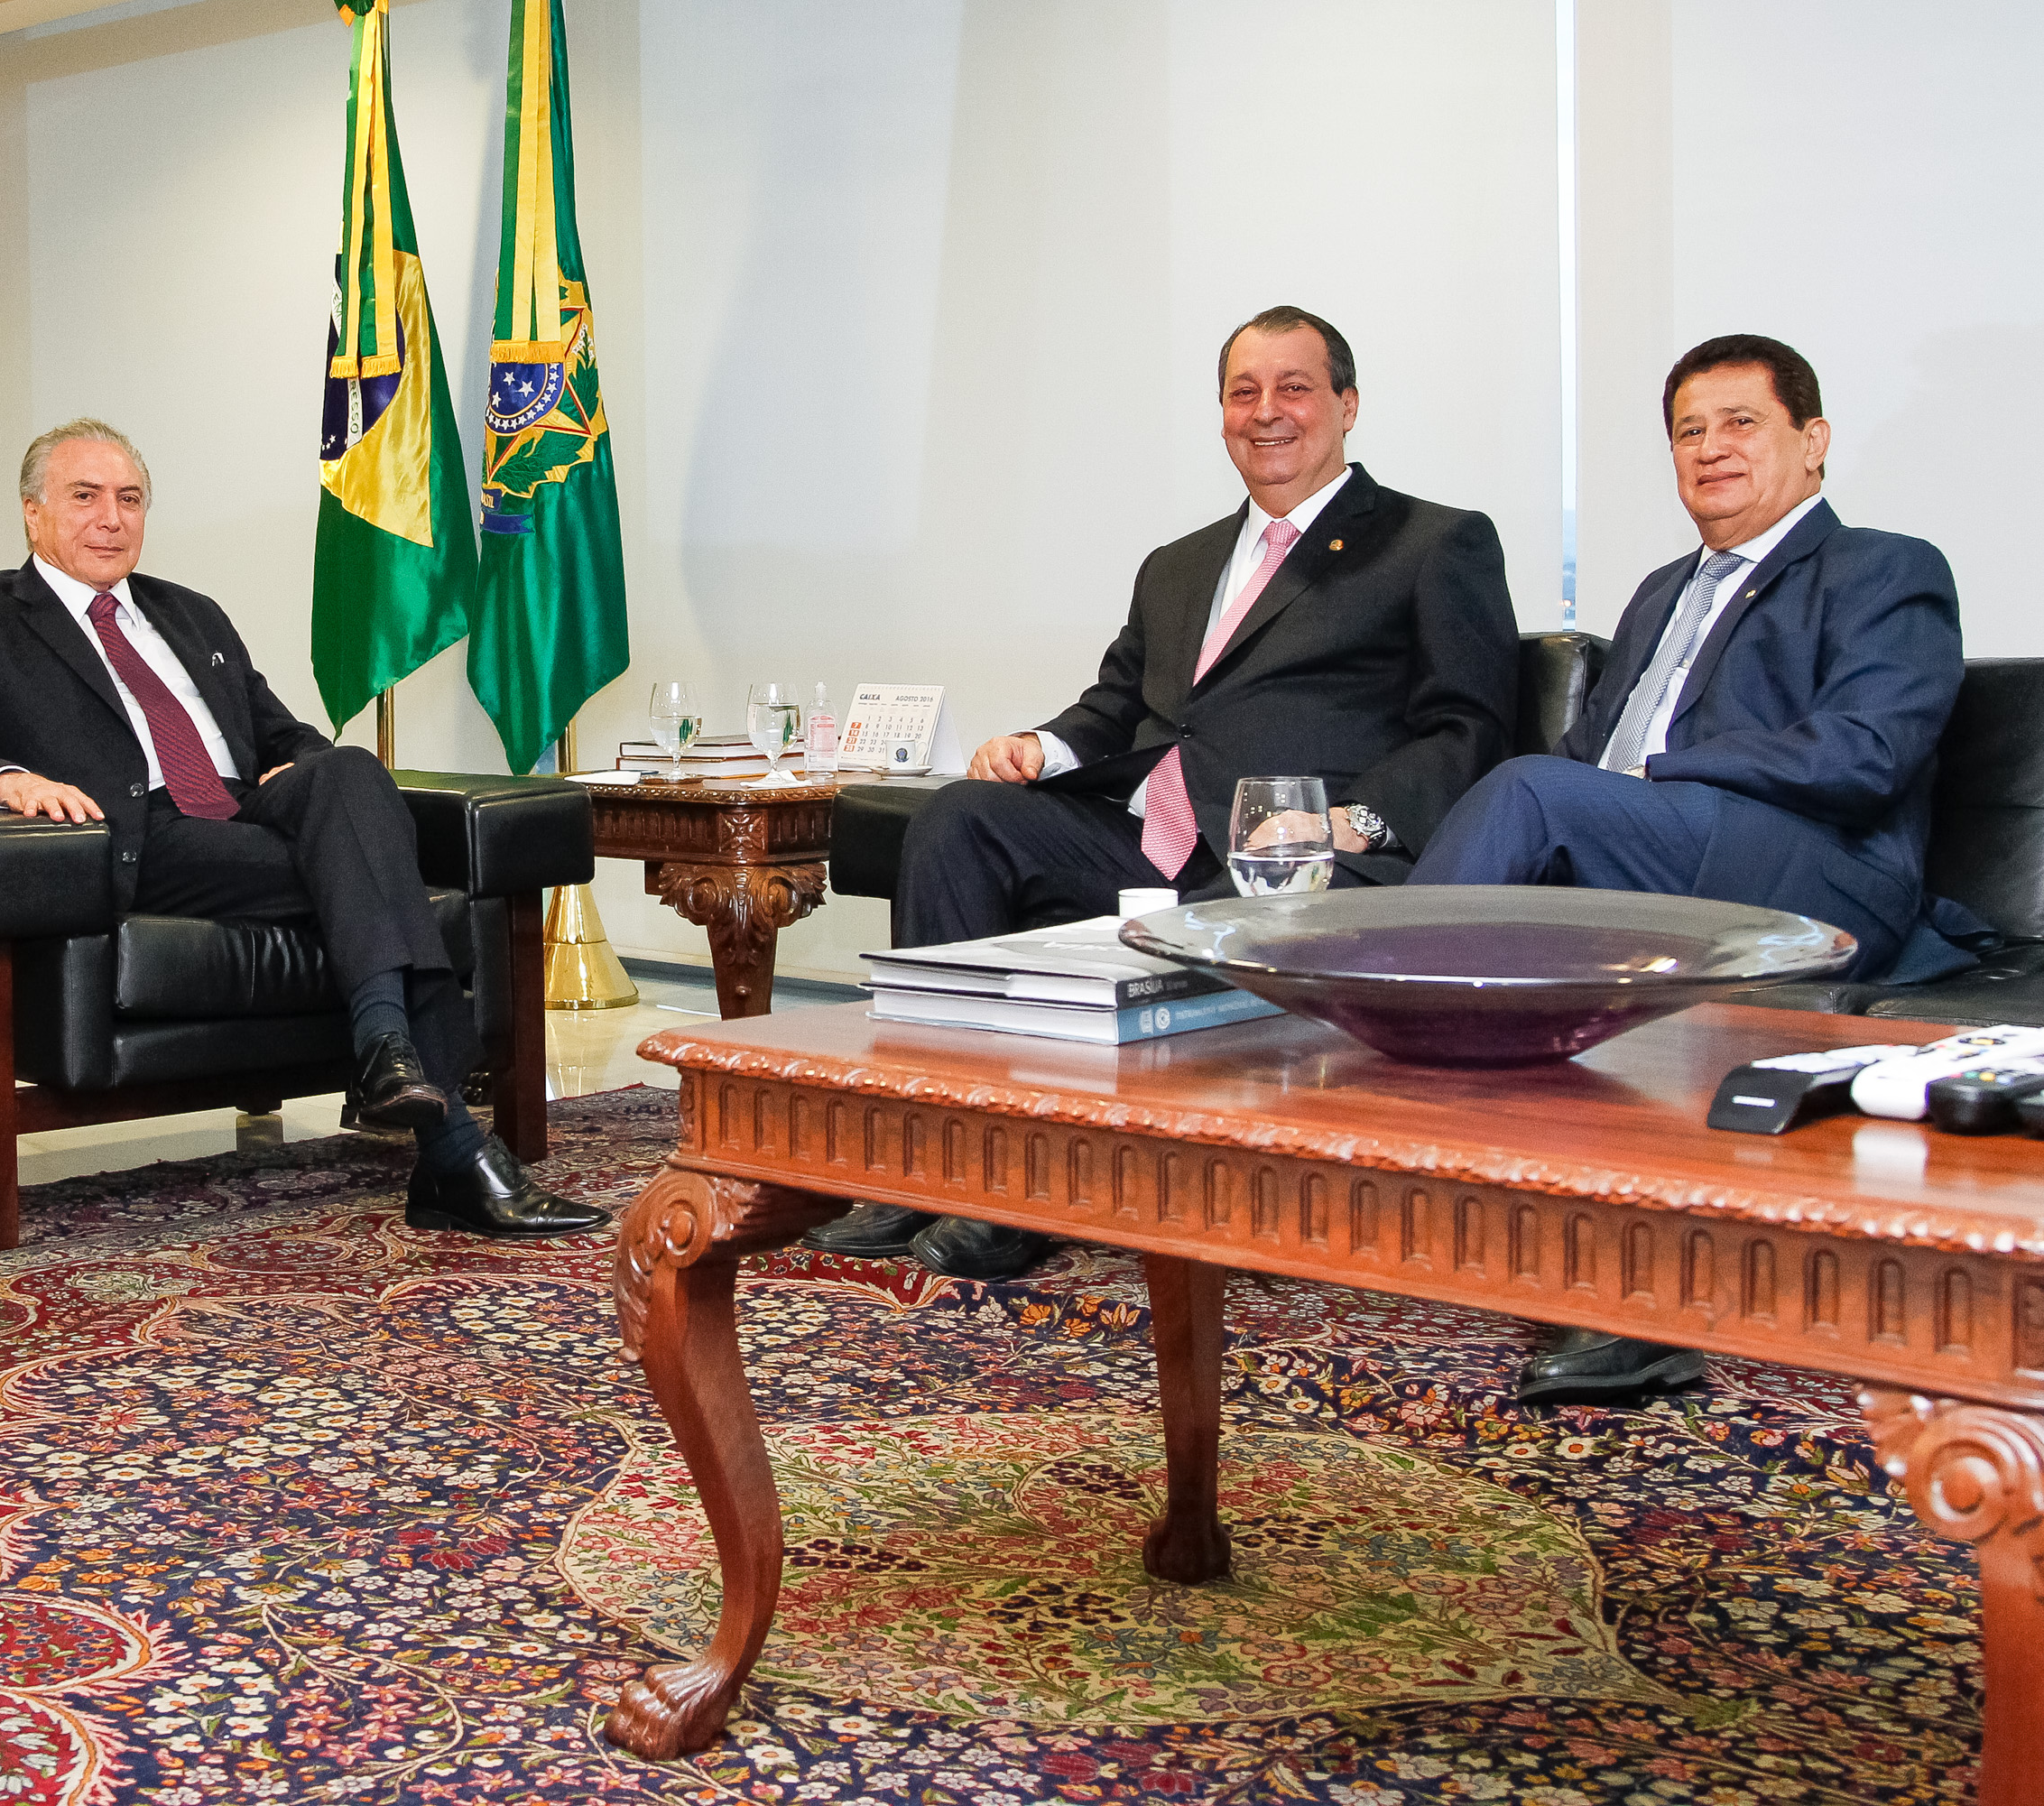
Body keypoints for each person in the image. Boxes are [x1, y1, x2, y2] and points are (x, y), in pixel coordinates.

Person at [816, 305, 1521, 1278]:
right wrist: (1039, 747)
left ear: (1346, 406)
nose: (1264, 413)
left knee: (1230, 900)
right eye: (1242, 392)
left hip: (1299, 860)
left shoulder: (1432, 543)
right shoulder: (1179, 564)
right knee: (960, 820)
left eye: (1293, 389)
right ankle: (937, 1159)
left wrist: (1341, 823)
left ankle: (1022, 1200)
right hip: (1156, 838)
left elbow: (1468, 727)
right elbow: (1116, 708)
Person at [1414, 331, 1979, 1405]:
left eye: (1739, 423)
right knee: (1530, 854)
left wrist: (1653, 773)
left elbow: (1864, 755)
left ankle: (1346, 1080)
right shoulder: (1657, 591)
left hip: (1818, 872)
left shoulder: (1883, 567)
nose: (1708, 448)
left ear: (1810, 444)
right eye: (1686, 431)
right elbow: (1589, 770)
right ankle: (1601, 1282)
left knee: (1531, 796)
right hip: (1660, 864)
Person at [0, 417, 604, 1240]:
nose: (110, 519)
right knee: (392, 883)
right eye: (84, 498)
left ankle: (395, 1063)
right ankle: (451, 1145)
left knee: (347, 768)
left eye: (129, 499)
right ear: (32, 513)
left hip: (241, 812)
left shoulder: (189, 614)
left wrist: (297, 766)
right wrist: (13, 782)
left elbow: (283, 733)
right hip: (136, 832)